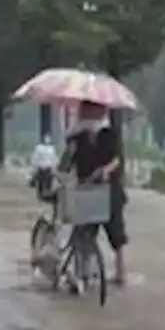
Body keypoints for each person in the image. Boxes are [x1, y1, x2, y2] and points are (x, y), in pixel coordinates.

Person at [59, 101, 127, 288]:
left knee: (116, 232)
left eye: (93, 109)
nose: (88, 113)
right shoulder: (77, 137)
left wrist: (106, 170)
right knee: (84, 232)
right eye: (85, 109)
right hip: (86, 188)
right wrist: (65, 160)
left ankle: (121, 273)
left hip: (109, 189)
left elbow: (116, 159)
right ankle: (83, 272)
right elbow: (66, 163)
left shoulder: (109, 134)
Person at [29, 134, 59, 201]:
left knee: (47, 181)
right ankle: (43, 194)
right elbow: (35, 158)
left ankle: (45, 194)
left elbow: (54, 158)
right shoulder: (40, 148)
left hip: (47, 167)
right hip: (43, 167)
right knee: (42, 181)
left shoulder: (51, 148)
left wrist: (54, 166)